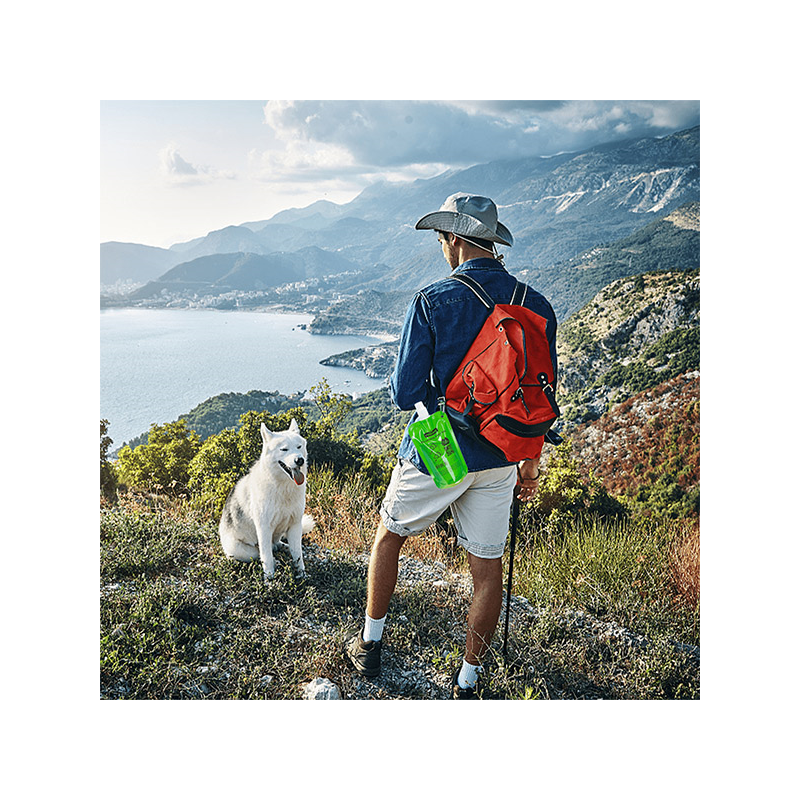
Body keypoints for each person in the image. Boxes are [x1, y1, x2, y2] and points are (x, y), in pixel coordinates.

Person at [345, 193, 557, 698]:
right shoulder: (536, 305)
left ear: (455, 239)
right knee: (487, 570)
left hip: (441, 447)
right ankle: (468, 680)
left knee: (390, 535)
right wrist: (529, 467)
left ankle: (369, 646)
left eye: (442, 239)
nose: (442, 247)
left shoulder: (432, 300)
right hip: (502, 454)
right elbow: (540, 397)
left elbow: (404, 394)